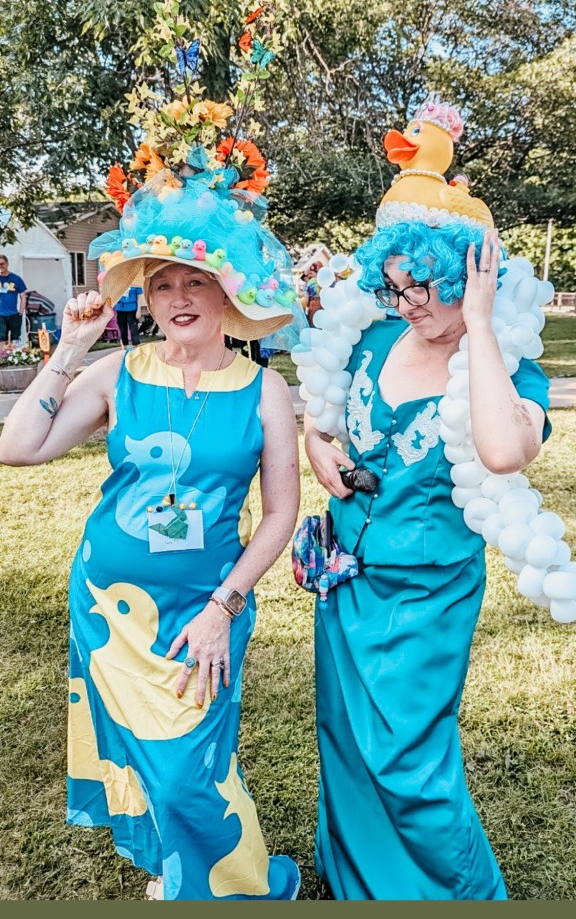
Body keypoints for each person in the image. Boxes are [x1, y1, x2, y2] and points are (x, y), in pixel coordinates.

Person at [0, 157, 303, 897]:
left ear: (227, 292)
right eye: (163, 284)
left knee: (192, 768)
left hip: (207, 607)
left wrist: (223, 606)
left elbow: (282, 514)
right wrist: (71, 348)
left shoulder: (265, 389)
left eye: (195, 281)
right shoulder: (117, 372)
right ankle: (182, 873)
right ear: (146, 297)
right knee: (143, 757)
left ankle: (245, 886)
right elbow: (18, 447)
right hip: (111, 610)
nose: (179, 298)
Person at [302, 101, 552, 900]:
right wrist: (318, 450)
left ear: (466, 274)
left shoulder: (507, 369)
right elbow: (321, 421)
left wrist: (478, 324)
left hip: (427, 594)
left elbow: (504, 451)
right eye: (396, 285)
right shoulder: (372, 339)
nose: (409, 302)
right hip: (345, 582)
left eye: (428, 286)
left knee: (408, 762)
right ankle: (362, 881)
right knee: (346, 740)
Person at [0, 253, 26, 342]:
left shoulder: (16, 279)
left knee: (15, 340)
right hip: (0, 316)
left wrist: (21, 312)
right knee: (1, 340)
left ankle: (14, 351)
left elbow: (23, 296)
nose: (0, 266)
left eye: (2, 264)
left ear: (7, 263)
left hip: (14, 315)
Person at [114, 284, 143, 349]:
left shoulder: (136, 283)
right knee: (122, 329)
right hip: (120, 309)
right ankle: (124, 346)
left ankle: (135, 346)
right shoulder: (118, 282)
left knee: (133, 329)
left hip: (132, 309)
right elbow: (113, 295)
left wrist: (139, 310)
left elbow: (139, 297)